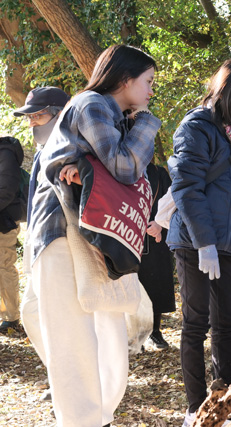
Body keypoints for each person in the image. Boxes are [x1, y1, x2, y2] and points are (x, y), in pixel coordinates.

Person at [27, 44, 161, 426]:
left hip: (86, 237)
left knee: (106, 339)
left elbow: (121, 168)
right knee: (76, 343)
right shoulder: (93, 104)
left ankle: (96, 419)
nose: (151, 91)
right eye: (148, 81)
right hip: (61, 235)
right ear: (124, 79)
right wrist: (147, 123)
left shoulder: (115, 115)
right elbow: (123, 166)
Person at [166, 59, 231, 426]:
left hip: (228, 245)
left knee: (224, 323)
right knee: (195, 323)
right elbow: (187, 187)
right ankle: (194, 406)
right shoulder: (196, 127)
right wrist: (204, 241)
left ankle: (223, 397)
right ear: (225, 92)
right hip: (195, 242)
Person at [13, 85, 70, 400]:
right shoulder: (46, 147)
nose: (33, 122)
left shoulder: (70, 147)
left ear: (59, 113)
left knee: (42, 312)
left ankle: (72, 380)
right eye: (30, 117)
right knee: (33, 313)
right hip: (38, 241)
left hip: (60, 245)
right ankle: (64, 376)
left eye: (39, 114)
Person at [140, 162, 175, 350]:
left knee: (156, 285)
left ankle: (155, 331)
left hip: (155, 238)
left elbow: (172, 199)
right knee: (132, 286)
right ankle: (135, 336)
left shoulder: (159, 173)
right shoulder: (121, 170)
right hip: (129, 239)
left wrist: (161, 224)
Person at [0, 135, 24, 333]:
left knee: (4, 266)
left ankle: (11, 317)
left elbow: (6, 190)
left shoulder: (5, 153)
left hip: (4, 222)